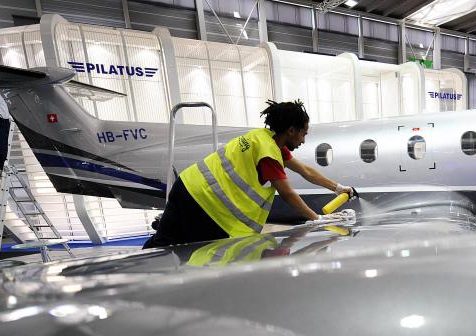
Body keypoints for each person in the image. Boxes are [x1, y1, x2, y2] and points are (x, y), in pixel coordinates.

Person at [144, 100, 355, 249]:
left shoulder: (263, 138)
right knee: (195, 255)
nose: (303, 140)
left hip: (187, 186)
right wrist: (316, 218)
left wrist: (338, 188)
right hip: (205, 206)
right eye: (303, 133)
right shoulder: (269, 153)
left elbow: (306, 171)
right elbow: (288, 194)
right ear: (291, 130)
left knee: (162, 243)